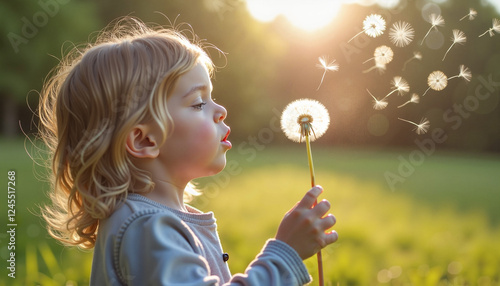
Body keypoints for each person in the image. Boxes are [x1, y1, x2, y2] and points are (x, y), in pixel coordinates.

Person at [38, 17, 338, 285]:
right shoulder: (148, 227)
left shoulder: (156, 220)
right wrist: (284, 255)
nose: (220, 110)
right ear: (143, 141)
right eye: (198, 103)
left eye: (212, 97)